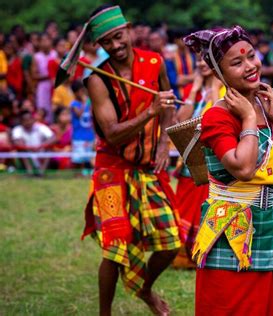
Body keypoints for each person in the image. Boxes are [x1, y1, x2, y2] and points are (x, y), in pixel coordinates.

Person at [63, 5, 181, 315]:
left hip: (147, 166)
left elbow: (167, 100)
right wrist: (150, 113)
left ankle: (144, 289)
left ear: (128, 30)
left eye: (118, 37)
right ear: (98, 46)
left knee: (171, 242)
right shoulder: (97, 80)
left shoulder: (155, 62)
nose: (115, 46)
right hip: (112, 170)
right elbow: (113, 134)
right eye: (106, 42)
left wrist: (164, 142)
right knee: (114, 250)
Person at [184, 25, 273, 315]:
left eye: (251, 56)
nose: (250, 66)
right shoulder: (217, 116)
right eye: (237, 63)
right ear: (219, 75)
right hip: (230, 230)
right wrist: (250, 117)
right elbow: (244, 168)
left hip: (270, 224)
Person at [172, 54, 224, 268]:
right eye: (198, 61)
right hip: (189, 162)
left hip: (210, 163)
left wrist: (214, 85)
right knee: (183, 207)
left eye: (206, 60)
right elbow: (180, 120)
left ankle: (200, 255)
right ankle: (181, 255)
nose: (201, 64)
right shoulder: (195, 90)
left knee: (203, 208)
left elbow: (215, 116)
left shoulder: (225, 91)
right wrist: (195, 88)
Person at [11, 110, 56, 176]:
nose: (28, 122)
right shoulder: (17, 129)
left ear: (33, 119)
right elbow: (17, 143)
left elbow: (53, 138)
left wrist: (41, 146)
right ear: (21, 121)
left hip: (41, 152)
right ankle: (30, 172)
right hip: (27, 153)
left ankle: (41, 172)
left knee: (49, 149)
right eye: (25, 120)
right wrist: (30, 148)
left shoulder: (40, 127)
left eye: (29, 119)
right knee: (21, 150)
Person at [70, 80, 95, 173]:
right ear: (75, 93)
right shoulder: (74, 104)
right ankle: (79, 173)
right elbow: (79, 114)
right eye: (80, 91)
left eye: (83, 91)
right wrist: (85, 103)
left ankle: (87, 172)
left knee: (89, 156)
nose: (82, 93)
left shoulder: (89, 102)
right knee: (80, 157)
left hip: (89, 134)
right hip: (79, 136)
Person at [32, 33, 57, 123]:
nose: (45, 43)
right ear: (39, 43)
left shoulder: (55, 54)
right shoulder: (36, 56)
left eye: (47, 40)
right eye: (43, 41)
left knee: (54, 105)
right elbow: (34, 75)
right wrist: (49, 75)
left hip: (55, 83)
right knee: (43, 107)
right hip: (43, 86)